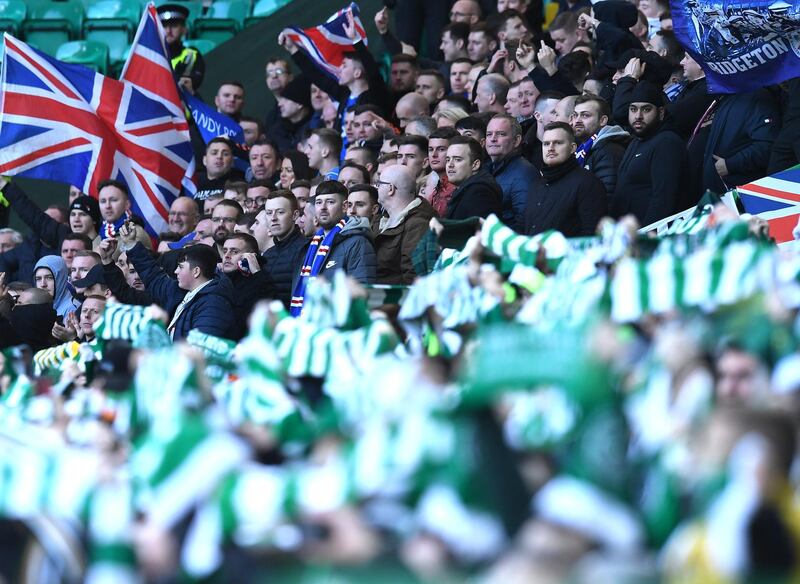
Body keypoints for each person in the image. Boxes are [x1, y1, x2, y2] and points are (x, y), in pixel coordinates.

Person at [280, 10, 388, 136]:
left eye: (344, 65)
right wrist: (293, 50)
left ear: (357, 73)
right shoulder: (343, 95)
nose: (339, 69)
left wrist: (356, 40)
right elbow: (316, 75)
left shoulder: (374, 95)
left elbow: (373, 72)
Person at [120, 225, 234, 340]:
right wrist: (131, 244)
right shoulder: (182, 291)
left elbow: (201, 349)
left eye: (180, 267)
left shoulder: (213, 304)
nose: (176, 271)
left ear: (196, 271)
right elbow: (154, 277)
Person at [291, 180, 376, 314]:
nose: (323, 207)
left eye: (330, 202)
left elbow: (362, 293)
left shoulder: (358, 242)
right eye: (319, 202)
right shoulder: (311, 245)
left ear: (345, 207)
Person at [612, 81, 687, 226]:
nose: (638, 116)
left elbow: (663, 198)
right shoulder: (635, 142)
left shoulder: (667, 142)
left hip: (650, 237)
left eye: (646, 110)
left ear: (660, 113)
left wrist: (647, 237)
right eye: (633, 109)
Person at [525, 122, 607, 236]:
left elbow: (591, 233)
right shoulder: (536, 184)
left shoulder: (588, 183)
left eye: (558, 143)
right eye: (546, 144)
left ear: (573, 148)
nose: (550, 148)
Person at [374, 165, 437, 285]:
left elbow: (412, 278)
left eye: (379, 183)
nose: (376, 187)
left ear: (390, 189)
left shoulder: (418, 225)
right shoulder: (381, 220)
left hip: (393, 300)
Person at [486, 114, 539, 231]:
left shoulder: (525, 173)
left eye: (501, 134)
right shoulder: (487, 168)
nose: (493, 139)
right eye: (489, 134)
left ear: (516, 140)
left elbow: (524, 223)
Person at [571, 94, 630, 196]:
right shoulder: (581, 149)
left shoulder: (609, 151)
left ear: (602, 120)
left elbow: (607, 195)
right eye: (576, 115)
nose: (577, 121)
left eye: (585, 115)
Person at [219, 233, 273, 341]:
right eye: (225, 251)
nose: (227, 256)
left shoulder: (262, 281)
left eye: (234, 251)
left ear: (251, 256)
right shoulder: (218, 280)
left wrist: (257, 273)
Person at [259, 191, 307, 308]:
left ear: (295, 215)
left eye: (280, 212)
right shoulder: (267, 255)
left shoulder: (307, 248)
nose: (273, 218)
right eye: (269, 213)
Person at [444, 136, 503, 220]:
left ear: (475, 165)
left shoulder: (480, 194)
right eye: (447, 160)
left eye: (457, 159)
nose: (450, 165)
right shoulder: (467, 189)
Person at [158, 4, 204, 94]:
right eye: (164, 26)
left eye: (174, 26)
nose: (168, 31)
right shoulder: (150, 54)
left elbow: (195, 82)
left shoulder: (192, 55)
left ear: (184, 29)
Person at [268, 75, 314, 153]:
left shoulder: (315, 127)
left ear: (299, 104)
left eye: (285, 99)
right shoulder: (275, 133)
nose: (279, 104)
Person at [195, 137, 245, 203]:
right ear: (204, 160)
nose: (219, 157)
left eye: (225, 154)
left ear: (232, 161)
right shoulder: (193, 182)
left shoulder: (240, 185)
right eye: (214, 153)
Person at [427, 127, 459, 216]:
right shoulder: (436, 190)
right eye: (430, 149)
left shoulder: (458, 188)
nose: (434, 155)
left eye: (441, 149)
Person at [33, 255, 77, 320]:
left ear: (61, 278)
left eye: (49, 278)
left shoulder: (72, 309)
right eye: (38, 278)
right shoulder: (39, 308)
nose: (43, 284)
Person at [264, 57, 294, 131]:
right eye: (269, 73)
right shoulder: (271, 119)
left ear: (290, 77)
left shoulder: (305, 101)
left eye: (279, 71)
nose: (274, 76)